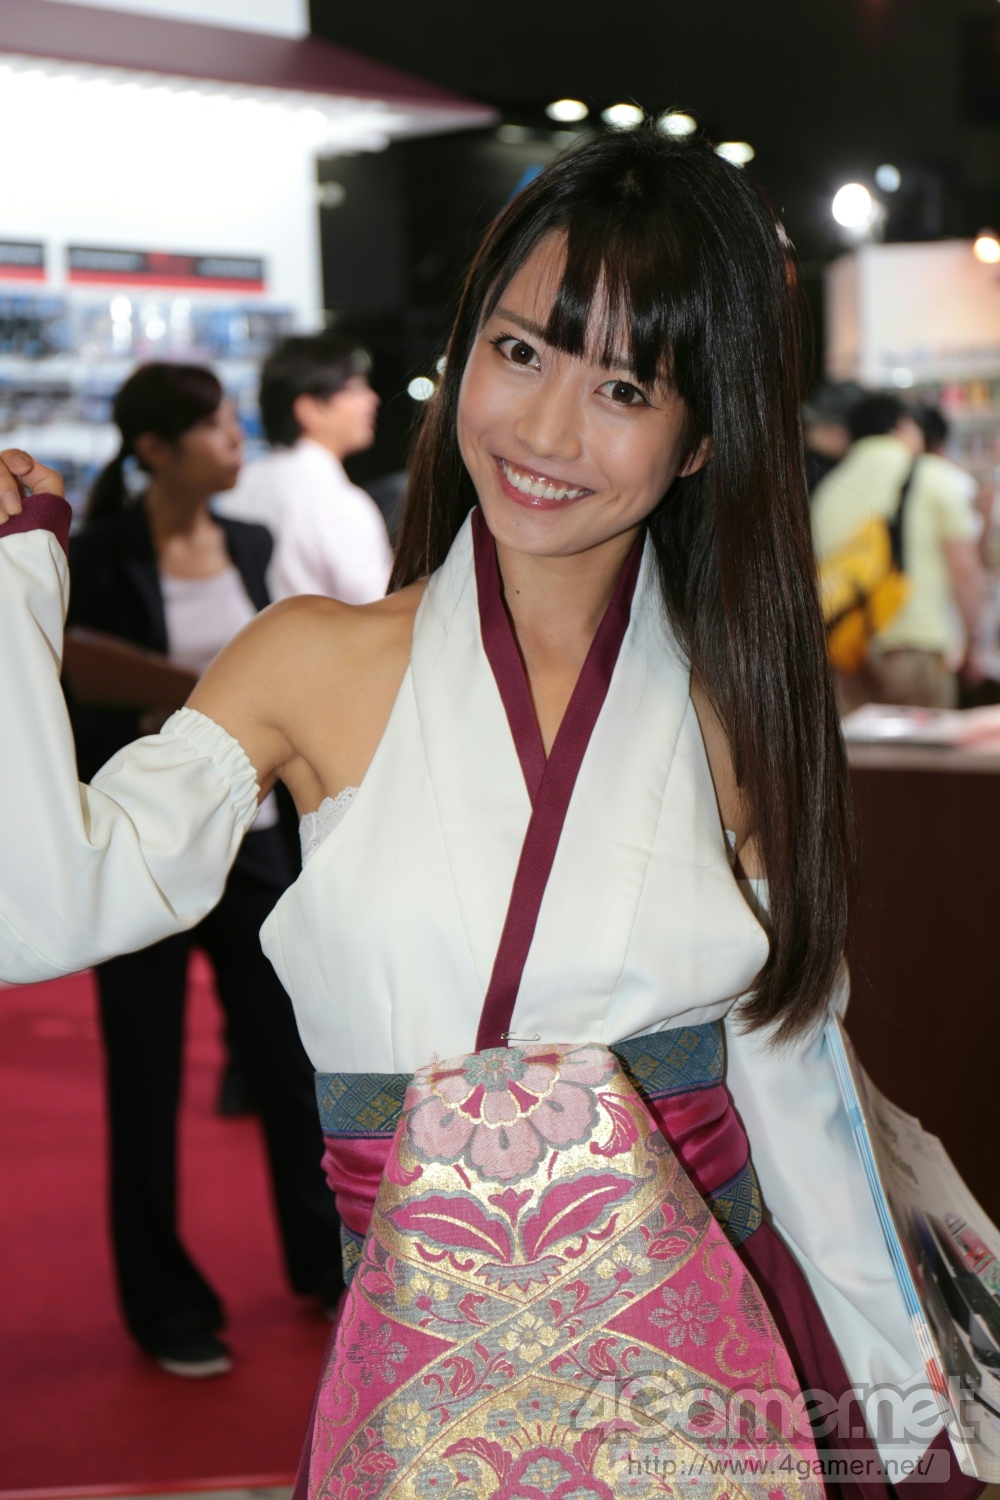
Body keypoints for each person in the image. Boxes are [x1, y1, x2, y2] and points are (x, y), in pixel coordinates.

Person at [0, 130, 991, 1497]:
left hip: (710, 1368)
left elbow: (793, 1076)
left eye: (623, 387)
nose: (544, 431)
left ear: (705, 438)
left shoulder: (736, 699)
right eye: (521, 351)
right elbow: (40, 906)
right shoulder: (308, 661)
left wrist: (902, 1410)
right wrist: (14, 589)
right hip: (425, 1375)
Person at [62, 363, 342, 1378]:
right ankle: (166, 1306)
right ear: (155, 450)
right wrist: (167, 709)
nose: (235, 442)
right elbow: (60, 695)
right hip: (137, 853)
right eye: (216, 427)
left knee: (289, 1062)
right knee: (144, 1077)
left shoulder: (254, 543)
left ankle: (325, 1263)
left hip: (255, 840)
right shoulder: (94, 555)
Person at [813, 393, 985, 708]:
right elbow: (965, 570)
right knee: (926, 741)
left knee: (859, 743)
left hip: (846, 658)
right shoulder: (931, 476)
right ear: (903, 425)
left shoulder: (827, 490)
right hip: (914, 654)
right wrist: (974, 642)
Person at [217, 332, 393, 604]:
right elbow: (377, 608)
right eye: (355, 388)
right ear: (310, 409)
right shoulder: (337, 500)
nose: (372, 399)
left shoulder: (243, 483)